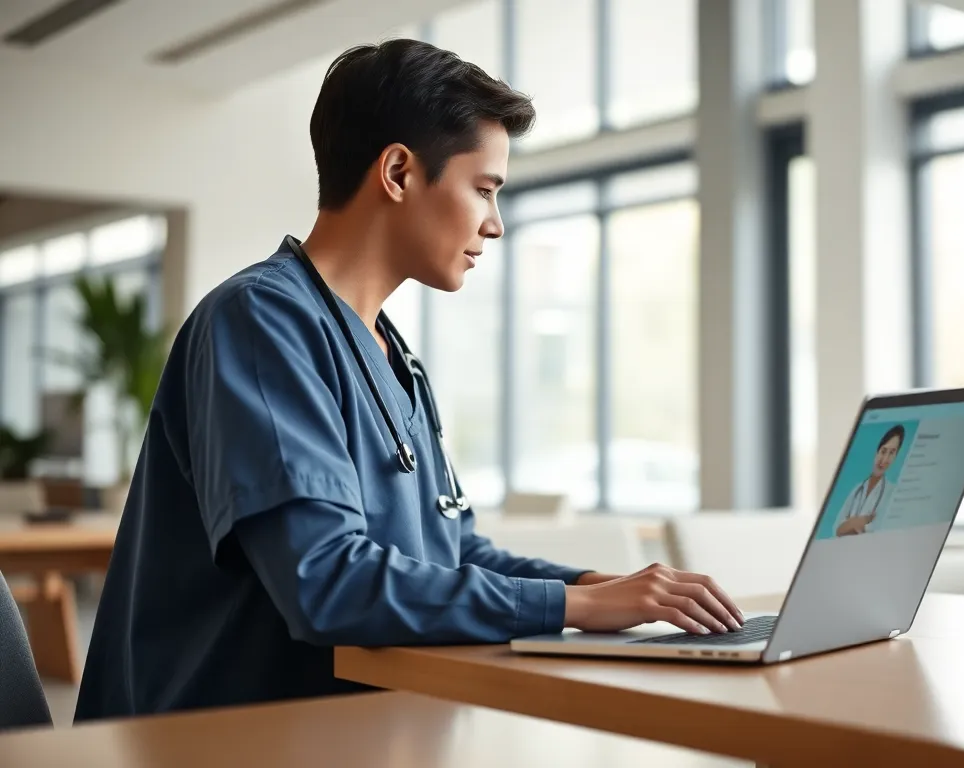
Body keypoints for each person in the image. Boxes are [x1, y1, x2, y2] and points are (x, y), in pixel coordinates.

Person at [74, 39, 742, 722]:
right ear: (397, 171)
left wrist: (594, 584)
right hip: (218, 739)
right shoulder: (258, 322)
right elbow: (325, 580)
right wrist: (575, 607)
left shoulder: (393, 354)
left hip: (364, 727)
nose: (496, 223)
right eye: (483, 189)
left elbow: (450, 547)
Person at [834, 425, 905, 536]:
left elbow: (879, 529)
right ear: (876, 452)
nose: (885, 459)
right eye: (883, 451)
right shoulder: (857, 489)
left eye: (891, 453)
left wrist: (850, 523)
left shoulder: (893, 492)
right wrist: (861, 521)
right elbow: (837, 529)